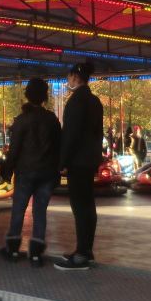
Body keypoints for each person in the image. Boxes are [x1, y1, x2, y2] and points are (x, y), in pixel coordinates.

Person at [0, 78, 61, 267]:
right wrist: (58, 170)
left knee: (18, 210)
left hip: (25, 171)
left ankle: (12, 249)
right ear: (44, 97)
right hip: (47, 172)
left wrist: (7, 170)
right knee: (40, 212)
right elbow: (58, 147)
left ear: (27, 95)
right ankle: (36, 253)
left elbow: (14, 149)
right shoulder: (52, 120)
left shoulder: (21, 120)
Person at [55, 61, 104, 272]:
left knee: (80, 207)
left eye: (69, 77)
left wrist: (62, 161)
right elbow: (98, 134)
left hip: (77, 161)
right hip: (90, 160)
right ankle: (85, 250)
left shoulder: (76, 101)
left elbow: (70, 135)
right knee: (88, 205)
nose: (67, 80)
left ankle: (81, 254)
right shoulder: (94, 101)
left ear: (75, 77)